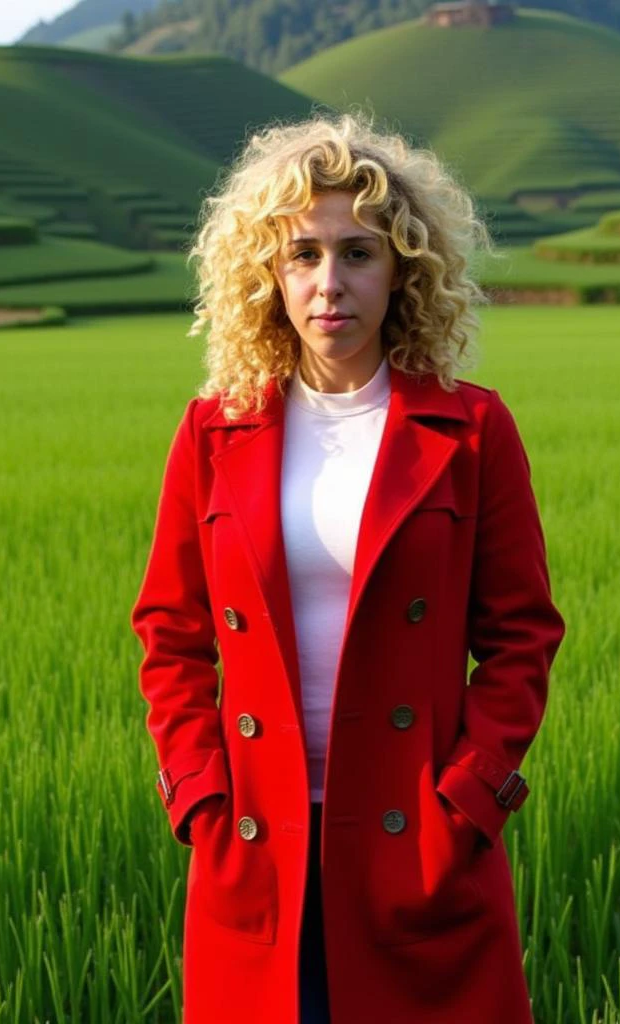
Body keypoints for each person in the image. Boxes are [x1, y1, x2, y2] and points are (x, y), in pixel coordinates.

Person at [130, 109, 566, 1024]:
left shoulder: (472, 430)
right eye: (303, 255)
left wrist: (466, 805)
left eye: (359, 253)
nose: (331, 284)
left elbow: (522, 637)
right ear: (269, 275)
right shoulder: (213, 431)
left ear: (404, 269)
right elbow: (171, 634)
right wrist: (204, 801)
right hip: (258, 847)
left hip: (417, 845)